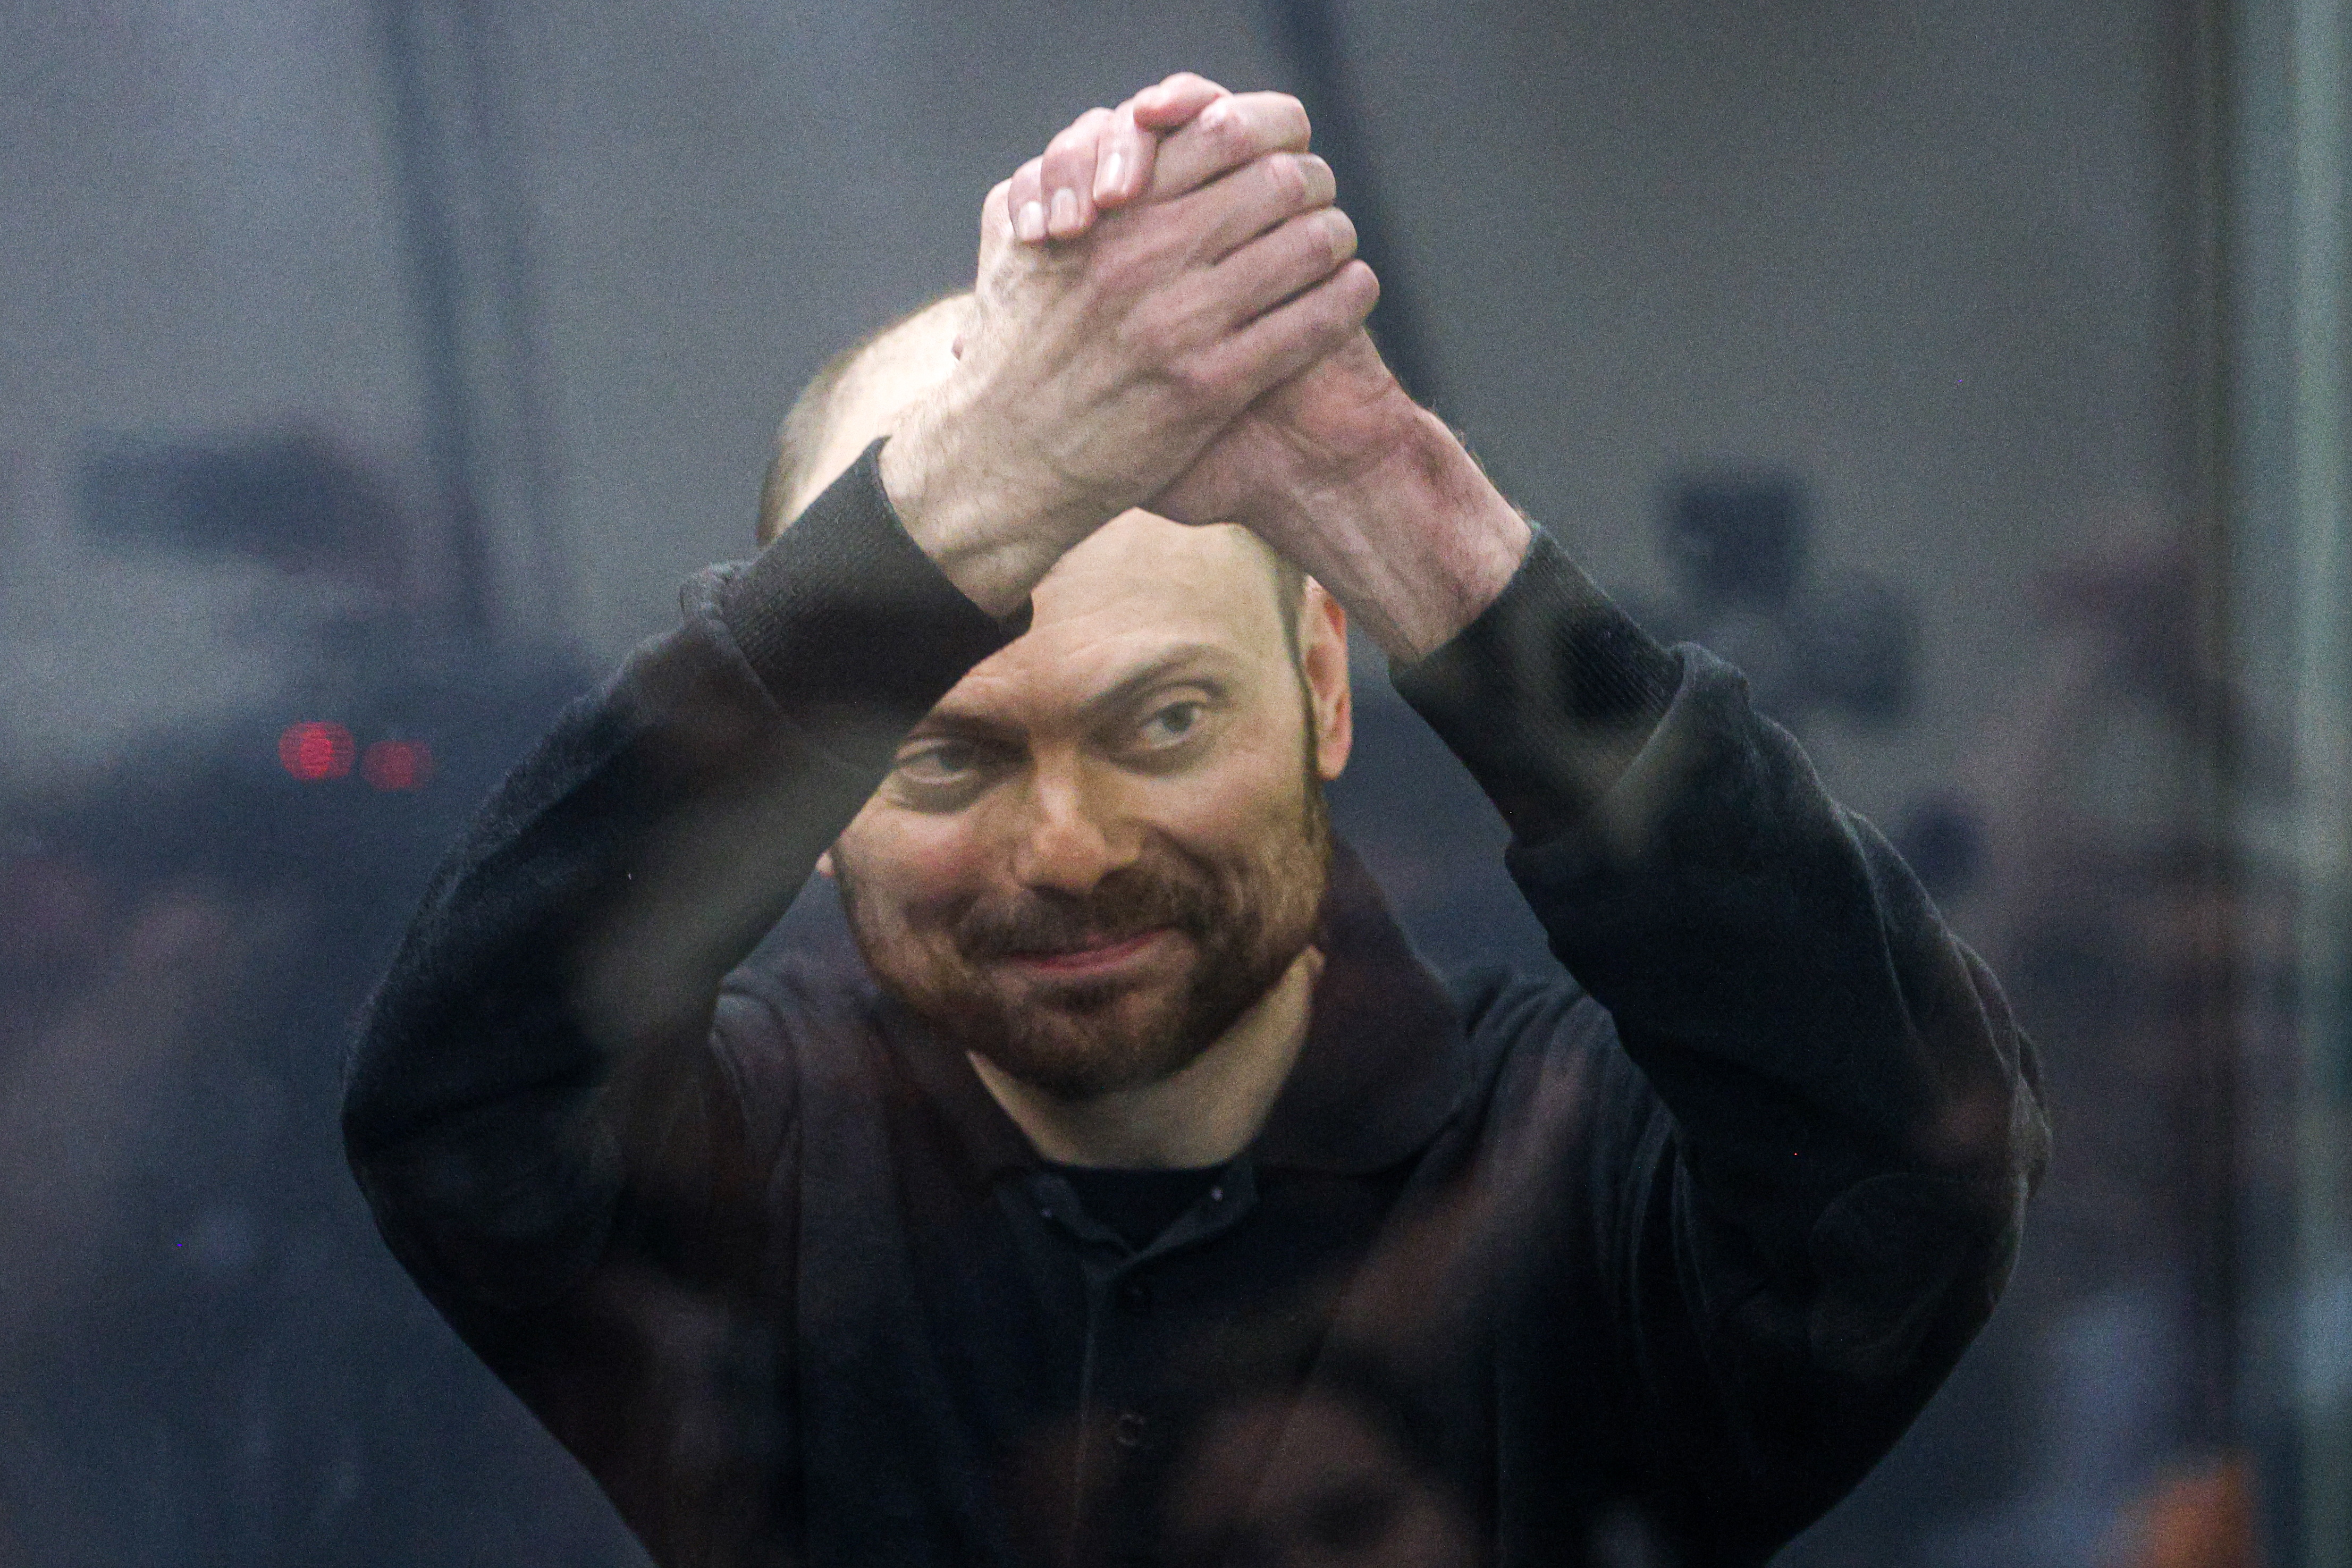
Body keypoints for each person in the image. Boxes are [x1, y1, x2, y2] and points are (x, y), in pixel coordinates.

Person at [343, 74, 2049, 1568]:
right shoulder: (752, 1159)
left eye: (1162, 723)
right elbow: (459, 1102)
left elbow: (1908, 1165)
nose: (1070, 848)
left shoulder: (1573, 1161)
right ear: (805, 790)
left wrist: (1403, 508)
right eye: (945, 758)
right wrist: (974, 487)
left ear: (1321, 689)